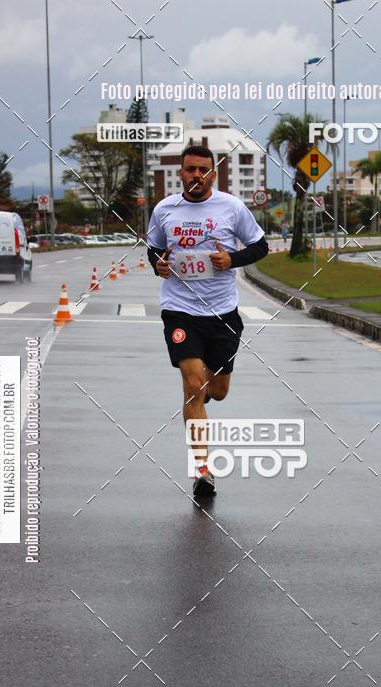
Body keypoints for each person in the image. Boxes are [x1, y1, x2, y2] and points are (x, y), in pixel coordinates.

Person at [147, 145, 269, 497]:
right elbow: (154, 248)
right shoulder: (165, 209)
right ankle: (203, 469)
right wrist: (159, 264)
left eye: (203, 170)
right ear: (180, 173)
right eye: (190, 170)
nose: (196, 175)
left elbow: (260, 247)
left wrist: (231, 260)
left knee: (218, 391)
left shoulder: (231, 207)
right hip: (179, 309)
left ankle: (202, 396)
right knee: (194, 385)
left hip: (222, 313)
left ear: (213, 174)